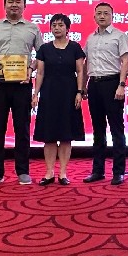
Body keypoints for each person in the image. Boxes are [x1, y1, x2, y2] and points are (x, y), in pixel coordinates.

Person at [0, 0, 42, 186]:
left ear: (24, 5)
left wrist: (30, 69)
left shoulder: (32, 28)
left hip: (22, 85)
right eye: (10, 2)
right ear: (4, 5)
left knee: (22, 128)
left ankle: (23, 171)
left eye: (18, 2)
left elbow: (41, 56)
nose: (14, 5)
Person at [32, 13, 86, 185]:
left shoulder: (75, 47)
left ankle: (63, 173)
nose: (57, 28)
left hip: (69, 93)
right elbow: (40, 73)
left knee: (65, 135)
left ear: (68, 28)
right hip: (49, 94)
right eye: (54, 25)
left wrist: (79, 92)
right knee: (49, 136)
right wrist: (35, 94)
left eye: (61, 25)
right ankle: (49, 172)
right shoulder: (44, 49)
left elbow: (80, 71)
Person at [83, 2, 128, 185]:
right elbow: (86, 63)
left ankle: (119, 171)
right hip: (94, 84)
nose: (102, 16)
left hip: (113, 83)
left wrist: (122, 85)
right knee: (98, 129)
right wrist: (83, 86)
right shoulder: (90, 38)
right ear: (94, 16)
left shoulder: (119, 35)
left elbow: (125, 61)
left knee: (117, 129)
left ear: (112, 16)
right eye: (99, 13)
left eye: (106, 13)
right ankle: (98, 171)